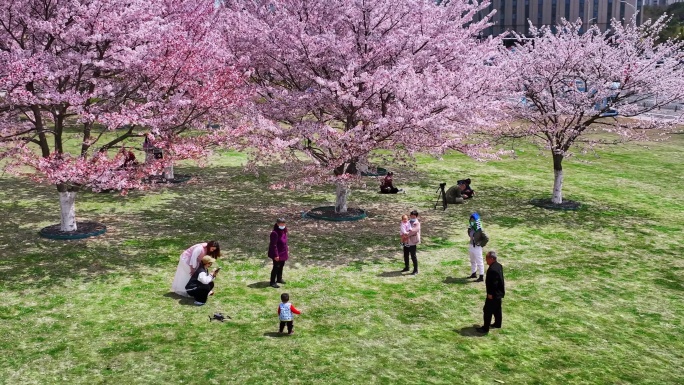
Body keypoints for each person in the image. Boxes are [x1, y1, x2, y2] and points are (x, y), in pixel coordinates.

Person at [476, 251, 505, 334]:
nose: (486, 261)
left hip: (493, 294)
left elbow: (494, 283)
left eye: (487, 259)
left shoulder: (492, 269)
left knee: (487, 310)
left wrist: (490, 294)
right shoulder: (498, 266)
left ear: (491, 258)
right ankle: (497, 323)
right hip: (499, 293)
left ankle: (485, 328)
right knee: (497, 309)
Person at [269, 218, 289, 288]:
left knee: (281, 266)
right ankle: (272, 282)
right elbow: (273, 245)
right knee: (276, 267)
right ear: (277, 224)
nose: (283, 225)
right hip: (277, 253)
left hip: (283, 252)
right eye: (281, 224)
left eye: (284, 224)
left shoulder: (284, 231)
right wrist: (276, 255)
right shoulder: (274, 233)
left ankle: (279, 279)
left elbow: (285, 241)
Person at [467, 212, 487, 282]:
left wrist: (480, 244)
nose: (472, 222)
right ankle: (473, 273)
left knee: (479, 262)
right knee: (472, 260)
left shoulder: (480, 229)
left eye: (473, 220)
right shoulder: (471, 227)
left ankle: (481, 276)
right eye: (471, 220)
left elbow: (486, 238)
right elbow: (470, 234)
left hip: (477, 247)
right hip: (471, 246)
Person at [402, 210, 421, 275]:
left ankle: (415, 270)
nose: (412, 216)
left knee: (413, 256)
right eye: (411, 215)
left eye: (414, 215)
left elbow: (413, 231)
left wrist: (406, 234)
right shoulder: (408, 221)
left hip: (412, 241)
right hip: (406, 241)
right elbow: (403, 227)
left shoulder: (417, 223)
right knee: (405, 254)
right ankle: (407, 267)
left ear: (416, 216)